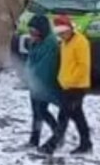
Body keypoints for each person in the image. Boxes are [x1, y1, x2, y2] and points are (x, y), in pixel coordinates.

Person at [39, 15, 93, 155]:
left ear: (69, 29)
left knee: (64, 116)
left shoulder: (81, 42)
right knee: (77, 115)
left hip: (77, 87)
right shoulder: (64, 43)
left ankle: (51, 145)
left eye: (63, 33)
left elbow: (83, 66)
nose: (61, 36)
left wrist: (70, 81)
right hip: (66, 86)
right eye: (59, 34)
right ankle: (86, 144)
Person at [24, 14, 62, 148]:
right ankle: (34, 140)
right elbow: (30, 61)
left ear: (42, 30)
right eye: (30, 31)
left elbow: (45, 68)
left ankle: (58, 133)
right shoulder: (36, 42)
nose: (31, 34)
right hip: (34, 84)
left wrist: (33, 79)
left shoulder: (50, 44)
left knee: (41, 111)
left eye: (34, 31)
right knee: (37, 113)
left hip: (45, 85)